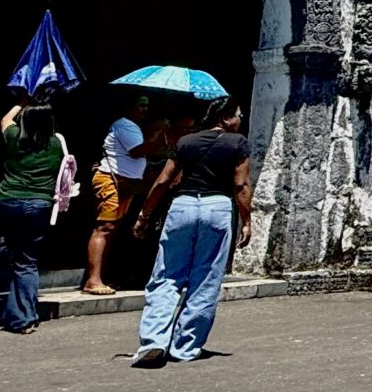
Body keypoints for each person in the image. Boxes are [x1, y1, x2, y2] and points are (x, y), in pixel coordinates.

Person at [130, 97, 251, 366]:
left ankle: (153, 342)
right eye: (238, 115)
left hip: (182, 206)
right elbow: (240, 184)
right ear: (225, 118)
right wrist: (247, 220)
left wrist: (144, 215)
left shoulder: (186, 142)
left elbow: (163, 181)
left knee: (166, 275)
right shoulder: (238, 142)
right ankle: (185, 347)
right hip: (217, 207)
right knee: (206, 278)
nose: (240, 120)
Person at [0, 100, 64, 333]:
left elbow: (5, 120)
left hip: (5, 201)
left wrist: (21, 102)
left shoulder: (14, 137)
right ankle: (22, 319)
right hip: (37, 205)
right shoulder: (56, 143)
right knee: (26, 263)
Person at [81, 93, 155, 296]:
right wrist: (159, 136)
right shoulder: (124, 125)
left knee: (113, 228)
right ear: (129, 108)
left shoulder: (134, 127)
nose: (145, 110)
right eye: (141, 105)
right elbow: (137, 151)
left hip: (127, 183)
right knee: (105, 226)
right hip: (112, 179)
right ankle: (93, 280)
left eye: (147, 106)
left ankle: (101, 276)